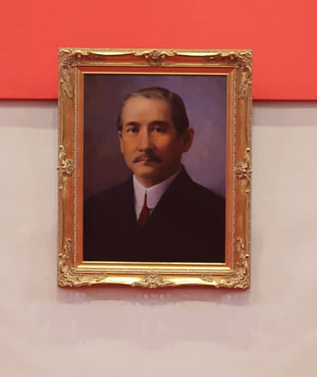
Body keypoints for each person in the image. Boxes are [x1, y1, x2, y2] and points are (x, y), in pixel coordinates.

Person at [82, 86, 226, 263]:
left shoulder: (219, 216)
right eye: (133, 130)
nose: (145, 145)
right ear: (121, 141)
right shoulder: (92, 212)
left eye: (158, 129)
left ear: (186, 140)